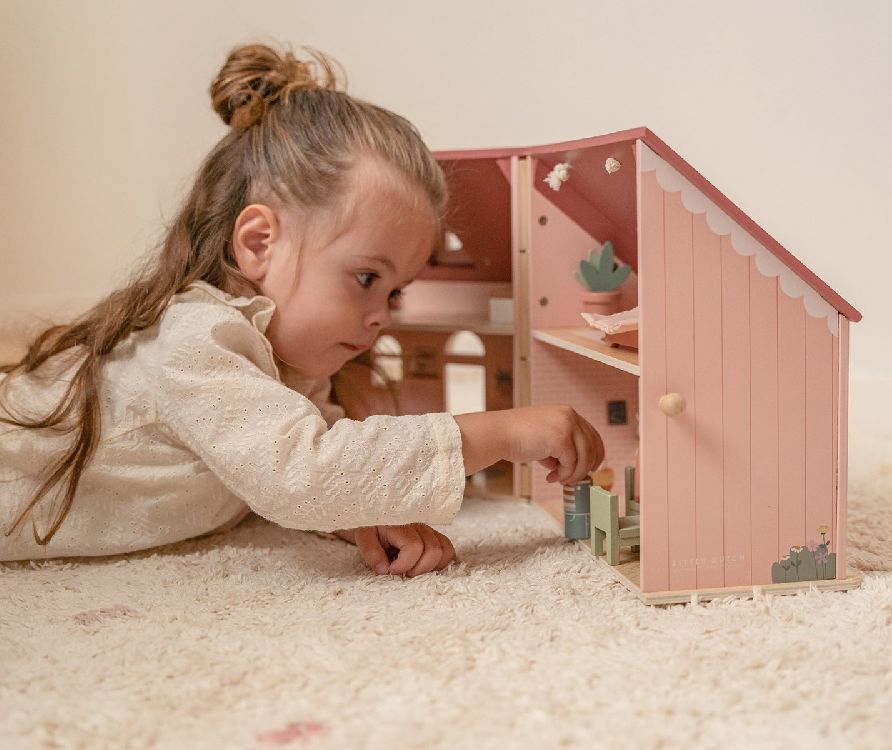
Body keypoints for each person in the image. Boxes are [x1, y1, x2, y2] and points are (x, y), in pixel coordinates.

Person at [0, 43, 604, 574]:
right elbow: (303, 472)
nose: (382, 315)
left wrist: (356, 515)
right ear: (260, 243)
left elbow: (286, 471)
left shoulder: (288, 361)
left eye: (394, 292)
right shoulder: (196, 337)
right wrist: (500, 430)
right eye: (366, 277)